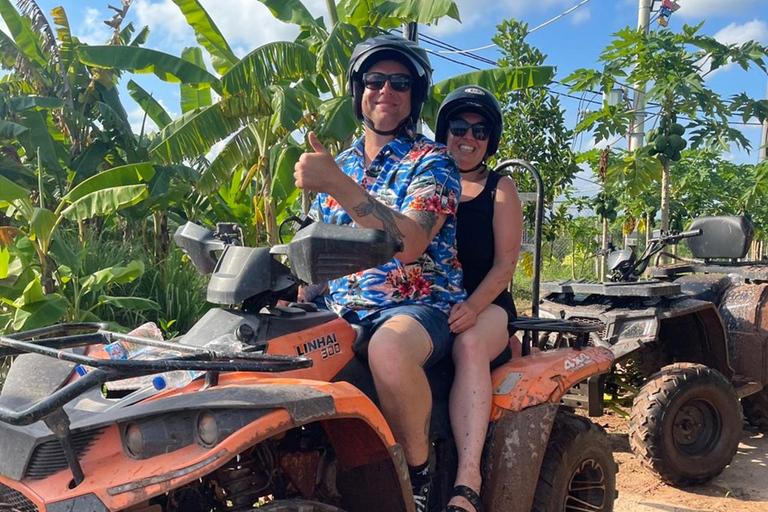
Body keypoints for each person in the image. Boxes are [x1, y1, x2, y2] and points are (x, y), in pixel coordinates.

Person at [294, 34, 465, 512]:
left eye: (399, 82)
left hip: (418, 308)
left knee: (388, 349)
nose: (385, 90)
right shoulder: (339, 163)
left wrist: (337, 184)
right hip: (340, 310)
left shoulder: (433, 161)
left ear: (415, 95)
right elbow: (313, 248)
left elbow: (409, 243)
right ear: (358, 90)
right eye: (374, 80)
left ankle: (419, 477)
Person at [435, 85, 523, 512]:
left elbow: (505, 266)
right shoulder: (423, 178)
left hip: (484, 306)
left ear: (490, 140)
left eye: (480, 130)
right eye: (458, 127)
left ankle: (467, 478)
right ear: (444, 130)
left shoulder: (499, 188)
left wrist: (471, 307)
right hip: (431, 303)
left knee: (468, 343)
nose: (467, 137)